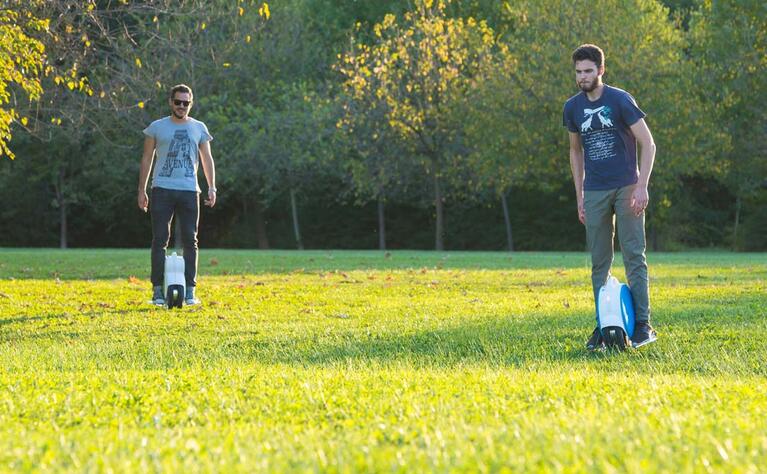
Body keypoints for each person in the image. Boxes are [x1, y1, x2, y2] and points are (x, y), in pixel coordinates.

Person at [562, 44, 657, 349]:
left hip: (627, 187)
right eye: (578, 72)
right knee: (599, 263)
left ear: (601, 70)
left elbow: (648, 144)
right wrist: (579, 195)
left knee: (633, 256)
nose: (583, 77)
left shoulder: (620, 100)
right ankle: (603, 326)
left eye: (588, 71)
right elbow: (575, 152)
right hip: (594, 191)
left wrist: (642, 185)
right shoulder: (572, 107)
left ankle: (643, 325)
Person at [137, 84, 216, 305]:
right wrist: (142, 190)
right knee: (159, 239)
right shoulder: (156, 127)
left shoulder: (199, 128)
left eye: (186, 103)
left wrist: (212, 187)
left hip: (190, 191)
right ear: (171, 102)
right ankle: (157, 291)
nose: (182, 106)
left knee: (191, 240)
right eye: (178, 102)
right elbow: (146, 159)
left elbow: (206, 159)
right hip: (162, 189)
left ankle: (190, 291)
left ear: (191, 104)